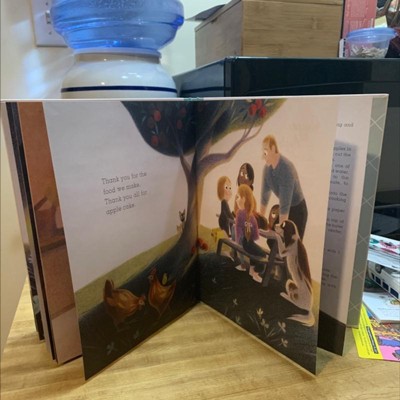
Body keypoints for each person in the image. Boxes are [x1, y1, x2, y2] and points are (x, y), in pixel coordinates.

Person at [260, 135, 308, 240]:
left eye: (265, 152)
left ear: (273, 149)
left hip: (298, 211)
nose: (262, 157)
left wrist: (281, 230)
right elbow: (264, 197)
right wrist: (259, 222)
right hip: (284, 209)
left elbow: (285, 203)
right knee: (272, 241)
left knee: (291, 245)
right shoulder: (267, 170)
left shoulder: (286, 168)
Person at [235, 184, 267, 283]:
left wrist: (238, 240)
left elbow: (238, 228)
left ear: (244, 199)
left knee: (255, 251)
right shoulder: (251, 216)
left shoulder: (240, 213)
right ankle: (256, 272)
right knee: (263, 255)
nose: (236, 200)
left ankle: (252, 271)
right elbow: (255, 235)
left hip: (245, 242)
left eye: (238, 197)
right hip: (246, 242)